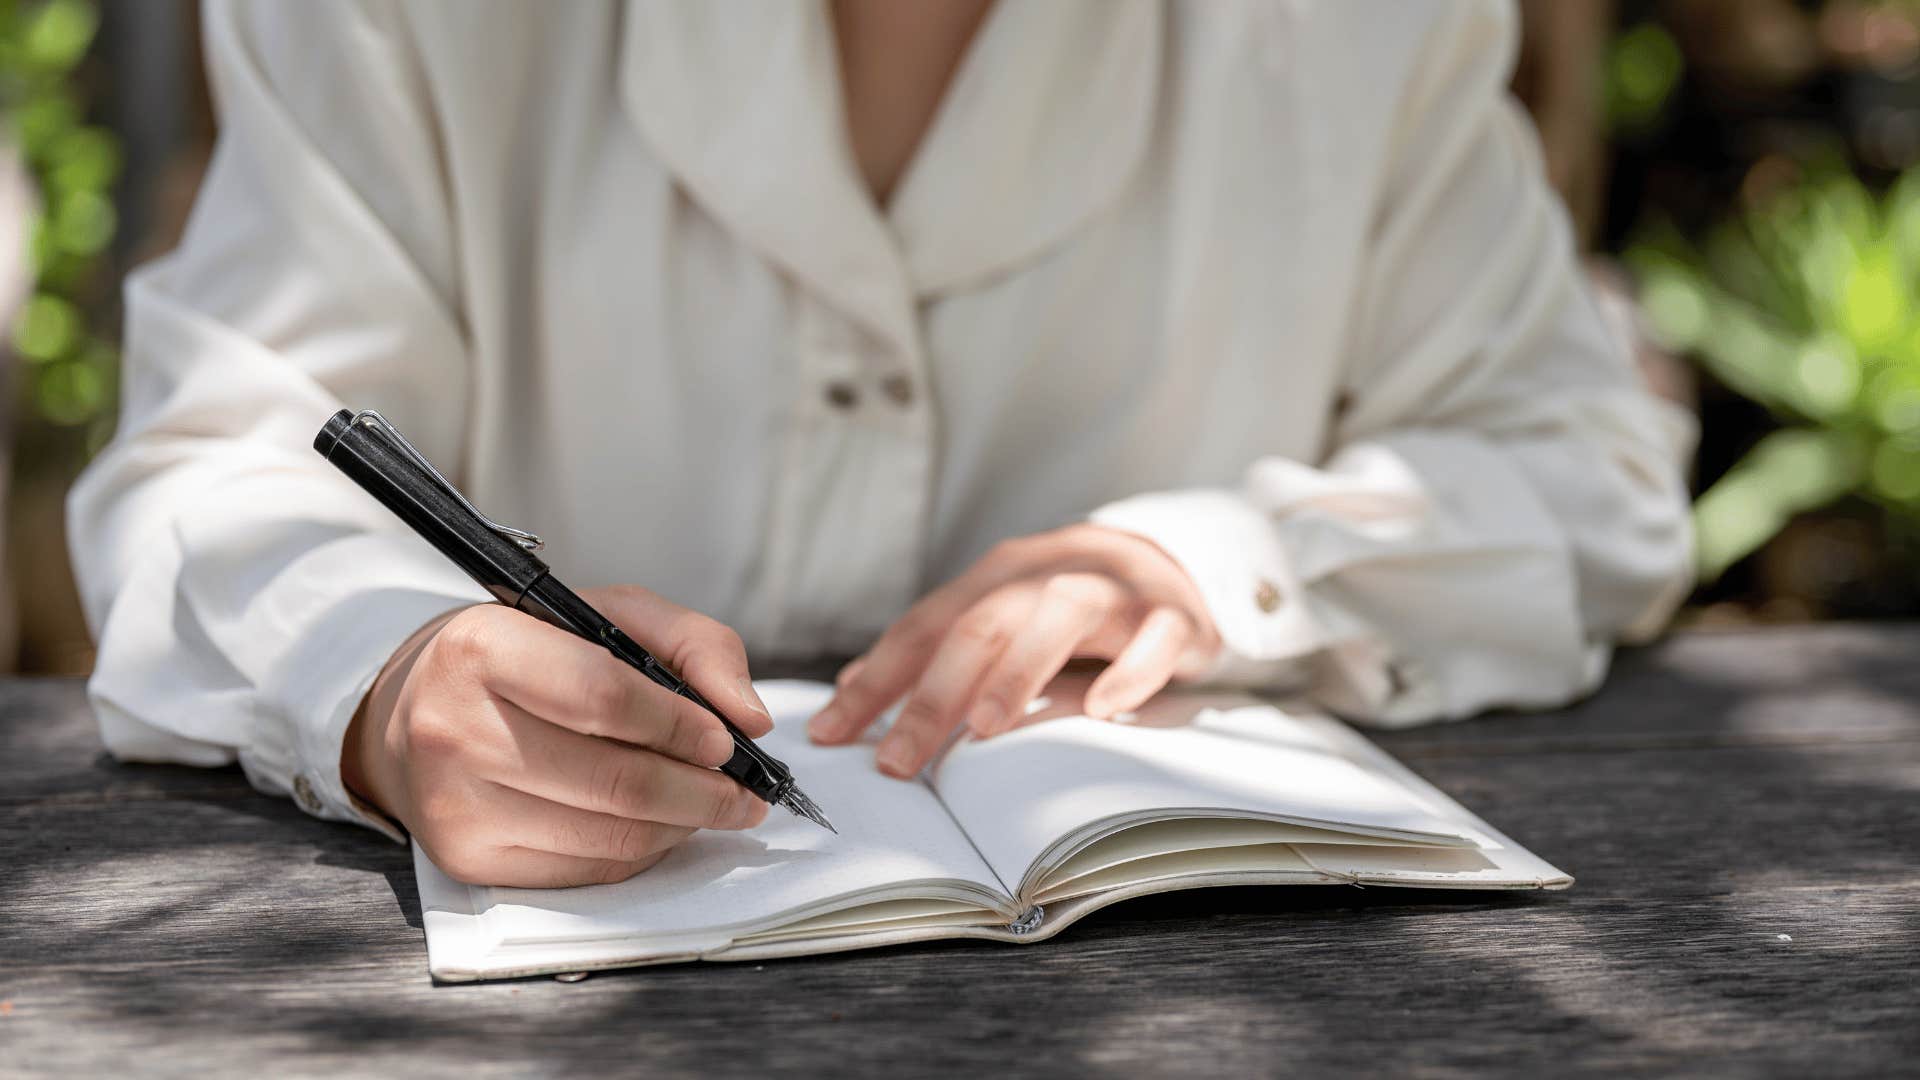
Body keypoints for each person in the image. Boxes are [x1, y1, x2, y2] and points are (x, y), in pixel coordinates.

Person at [69, 0, 1694, 888]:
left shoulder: (1364, 32)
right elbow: (205, 479)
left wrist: (1218, 568)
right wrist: (389, 669)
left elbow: (1583, 472)